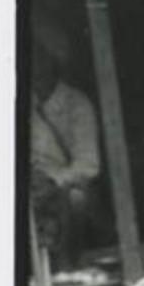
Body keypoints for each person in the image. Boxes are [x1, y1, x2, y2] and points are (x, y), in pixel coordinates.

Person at [30, 16, 102, 261]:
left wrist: (53, 181)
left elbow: (88, 164)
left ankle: (68, 267)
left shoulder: (76, 104)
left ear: (53, 60)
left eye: (39, 55)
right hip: (34, 190)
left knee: (75, 199)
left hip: (63, 192)